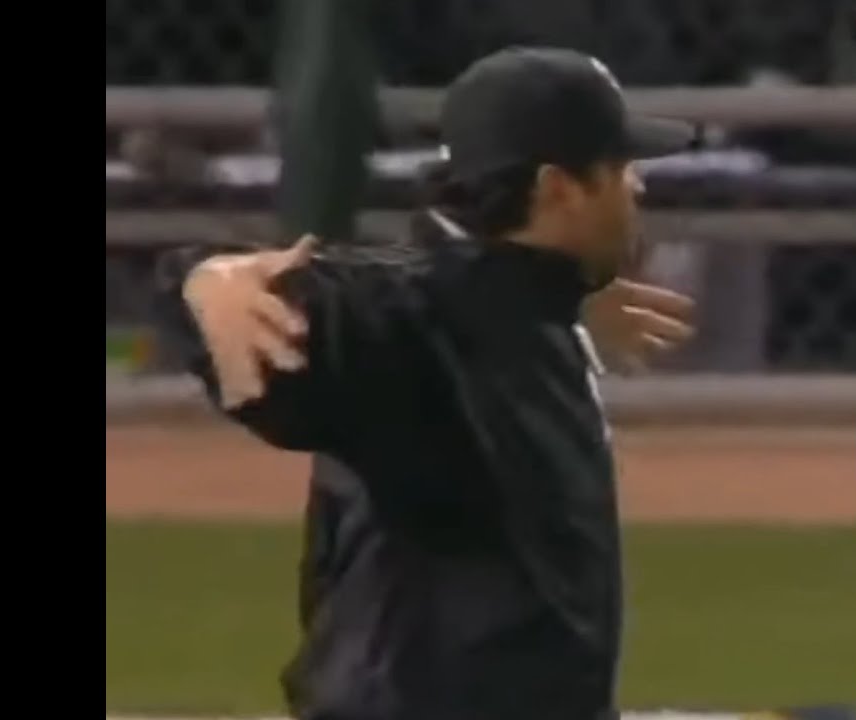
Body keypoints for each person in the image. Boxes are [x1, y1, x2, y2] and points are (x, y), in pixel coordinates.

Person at [156, 46, 696, 720]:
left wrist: (564, 300)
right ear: (559, 188)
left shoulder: (515, 311)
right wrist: (202, 280)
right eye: (618, 169)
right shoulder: (412, 316)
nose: (636, 188)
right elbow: (292, 300)